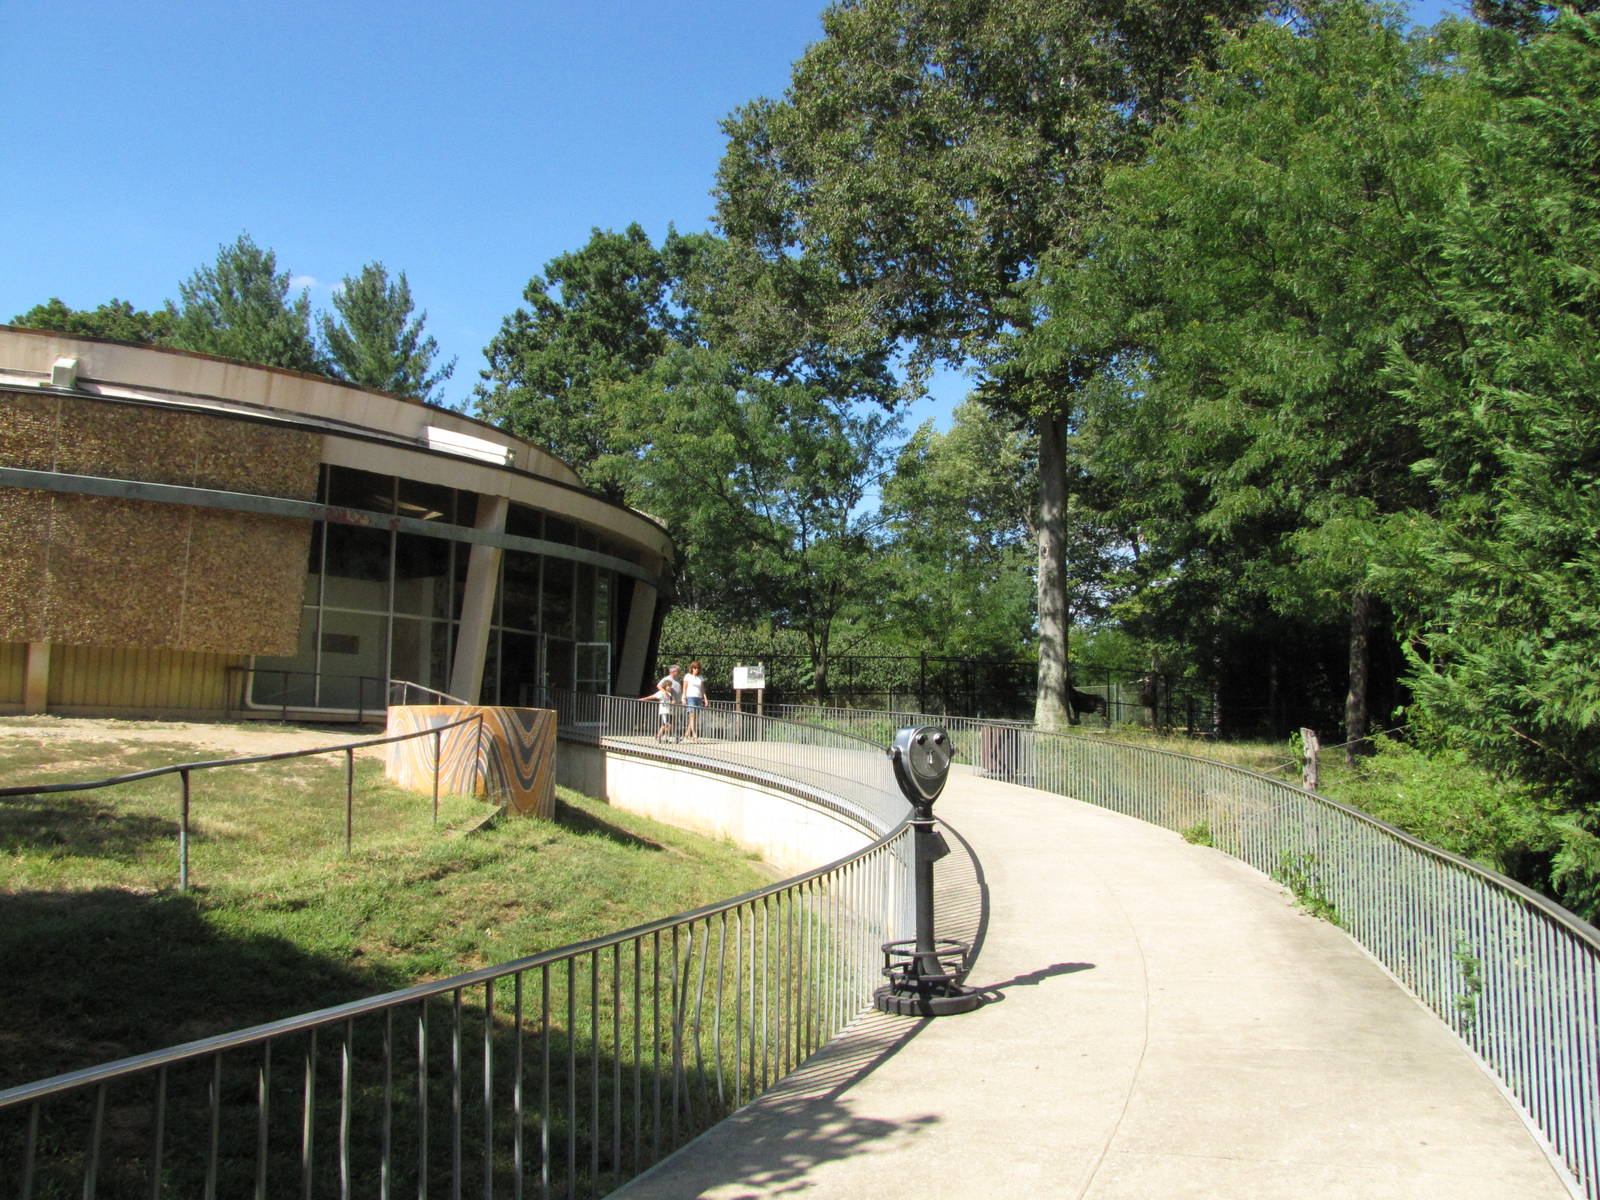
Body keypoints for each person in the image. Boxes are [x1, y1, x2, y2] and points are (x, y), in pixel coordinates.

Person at [647, 664, 682, 742]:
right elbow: (659, 685)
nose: (679, 673)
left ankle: (660, 736)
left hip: (675, 703)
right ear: (673, 672)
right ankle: (674, 736)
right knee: (668, 722)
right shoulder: (667, 679)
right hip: (668, 705)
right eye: (678, 671)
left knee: (670, 721)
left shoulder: (677, 680)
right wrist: (665, 692)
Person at [681, 661, 707, 740]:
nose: (696, 670)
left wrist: (705, 698)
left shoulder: (700, 677)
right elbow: (684, 688)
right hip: (690, 697)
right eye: (695, 668)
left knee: (694, 717)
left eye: (698, 668)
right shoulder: (687, 676)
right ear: (692, 668)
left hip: (698, 697)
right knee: (692, 714)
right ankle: (694, 733)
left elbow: (702, 689)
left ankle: (687, 733)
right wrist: (683, 697)